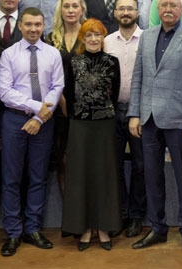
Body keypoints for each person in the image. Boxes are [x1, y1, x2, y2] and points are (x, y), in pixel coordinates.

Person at [129, 0, 182, 255]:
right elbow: (138, 77)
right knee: (151, 176)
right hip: (149, 119)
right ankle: (157, 227)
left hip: (180, 121)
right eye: (163, 5)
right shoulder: (147, 35)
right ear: (157, 9)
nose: (168, 9)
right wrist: (135, 114)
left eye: (173, 5)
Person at [0, 7, 65, 257]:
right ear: (20, 26)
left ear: (43, 25)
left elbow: (57, 86)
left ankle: (33, 229)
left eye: (37, 24)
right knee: (11, 178)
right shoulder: (9, 54)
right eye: (28, 24)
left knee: (38, 177)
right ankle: (13, 232)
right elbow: (5, 92)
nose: (33, 29)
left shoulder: (53, 53)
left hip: (44, 123)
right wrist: (37, 108)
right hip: (15, 120)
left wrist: (39, 117)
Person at [61, 19, 121, 250]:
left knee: (104, 176)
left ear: (103, 37)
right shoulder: (73, 62)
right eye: (89, 35)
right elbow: (69, 94)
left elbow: (114, 94)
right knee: (81, 177)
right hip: (80, 125)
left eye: (97, 35)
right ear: (82, 38)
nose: (94, 39)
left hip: (105, 125)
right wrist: (79, 114)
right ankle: (84, 228)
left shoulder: (112, 62)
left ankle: (104, 228)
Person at [104, 0, 145, 239]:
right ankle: (119, 214)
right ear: (115, 13)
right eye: (122, 9)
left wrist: (138, 112)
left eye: (130, 9)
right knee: (114, 166)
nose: (126, 12)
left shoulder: (148, 39)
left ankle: (137, 216)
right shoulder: (107, 42)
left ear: (137, 13)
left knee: (141, 166)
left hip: (139, 112)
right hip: (112, 111)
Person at [49, 0, 88, 194]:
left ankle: (84, 206)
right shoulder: (51, 38)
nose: (71, 10)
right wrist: (60, 98)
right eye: (66, 6)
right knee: (62, 158)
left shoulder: (90, 34)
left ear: (82, 10)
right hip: (59, 106)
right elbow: (46, 72)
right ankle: (68, 208)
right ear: (61, 11)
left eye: (75, 6)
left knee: (83, 159)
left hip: (85, 107)